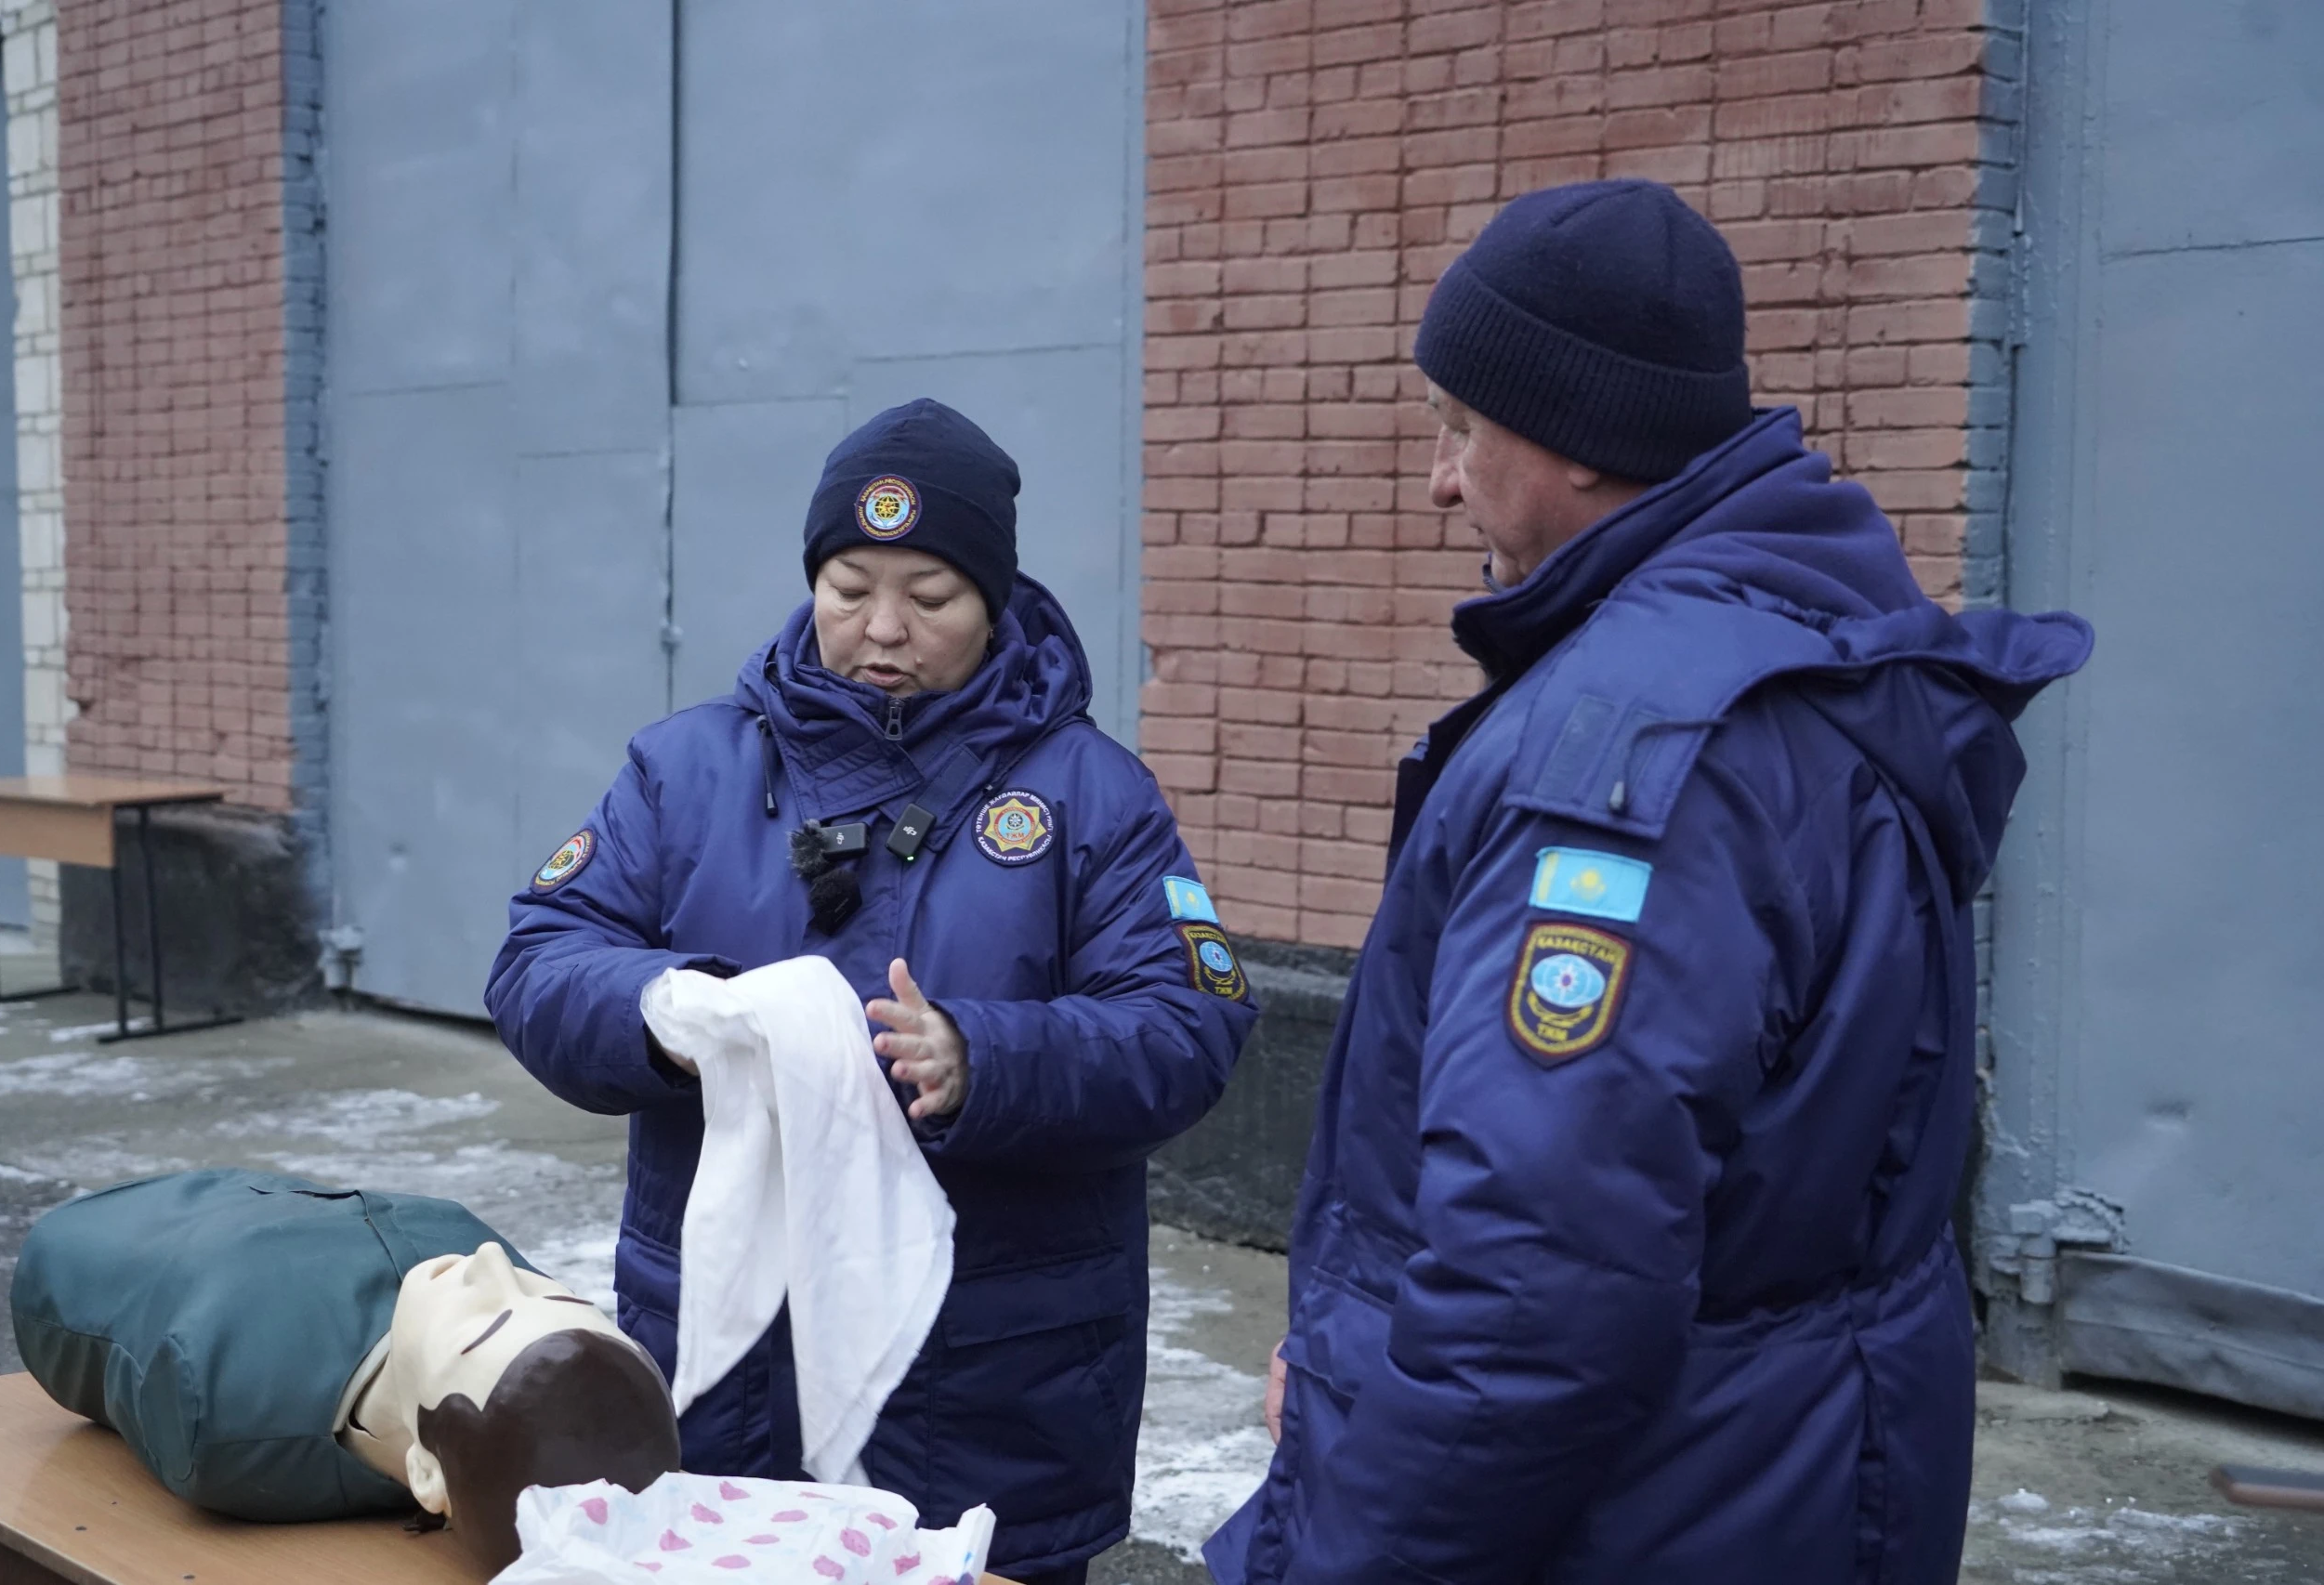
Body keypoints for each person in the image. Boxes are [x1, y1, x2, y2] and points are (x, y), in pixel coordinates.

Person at [1203, 181, 2093, 1585]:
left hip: (1654, 1505)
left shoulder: (1630, 757)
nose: (1440, 480)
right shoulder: (1817, 642)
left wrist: (1358, 1543)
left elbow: (1536, 1286)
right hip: (1787, 1465)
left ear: (1578, 442)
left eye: (1458, 427)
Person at [487, 398, 1257, 1585]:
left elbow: (1184, 1022)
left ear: (993, 598)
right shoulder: (685, 769)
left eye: (930, 596)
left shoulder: (1091, 794)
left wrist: (982, 1057)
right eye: (848, 588)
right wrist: (666, 1009)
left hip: (989, 1378)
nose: (883, 628)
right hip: (731, 1370)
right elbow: (541, 955)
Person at [11, 1168, 679, 1574]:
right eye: (553, 1292)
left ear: (427, 1474)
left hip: (107, 1231)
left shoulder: (223, 1393)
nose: (491, 1264)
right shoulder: (465, 1259)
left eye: (485, 1325)